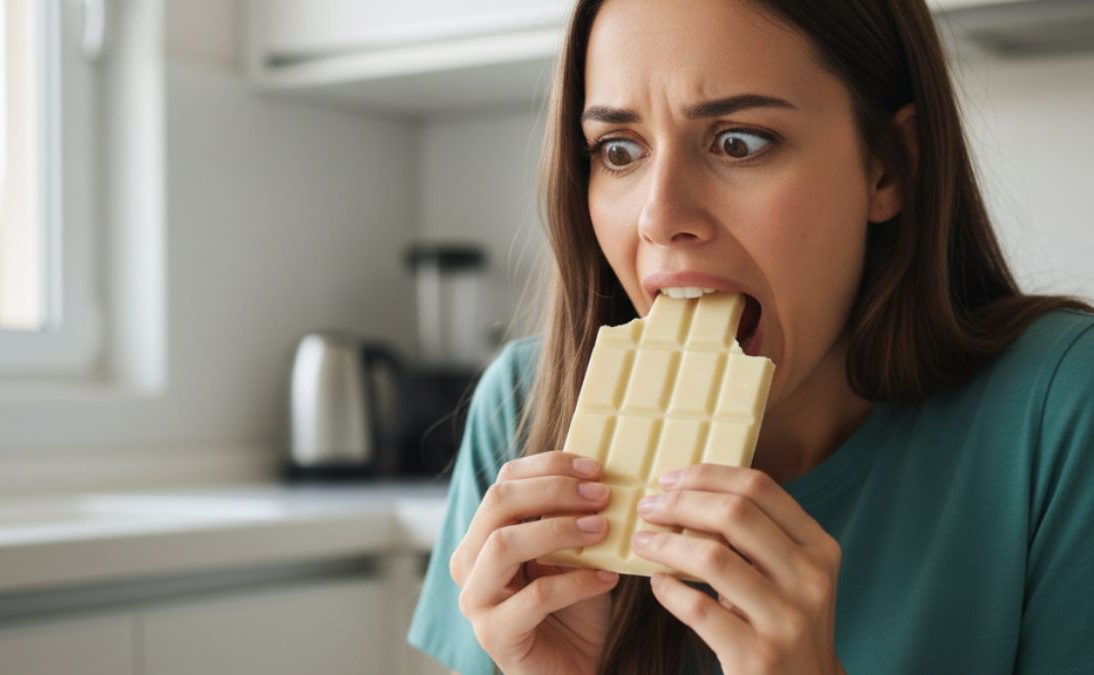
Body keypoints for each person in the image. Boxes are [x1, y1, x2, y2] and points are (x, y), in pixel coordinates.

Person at [407, 0, 1094, 673]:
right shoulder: (527, 411)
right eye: (619, 150)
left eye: (739, 141)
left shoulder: (1062, 410)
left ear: (890, 166)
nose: (660, 215)